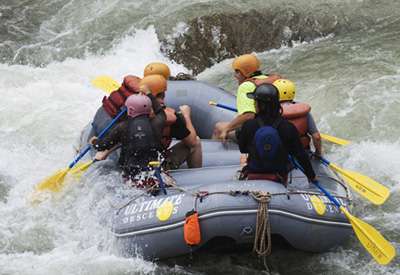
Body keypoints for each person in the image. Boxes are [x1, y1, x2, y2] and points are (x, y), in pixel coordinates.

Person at [237, 83, 316, 183]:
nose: (254, 104)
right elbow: (300, 154)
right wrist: (311, 176)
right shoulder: (288, 127)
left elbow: (242, 149)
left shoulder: (248, 125)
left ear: (260, 105)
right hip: (279, 175)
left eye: (255, 101)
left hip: (254, 172)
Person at [143, 62, 202, 170]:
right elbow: (192, 142)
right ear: (164, 94)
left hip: (131, 168)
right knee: (196, 142)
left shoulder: (131, 110)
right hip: (157, 167)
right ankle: (197, 177)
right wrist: (186, 116)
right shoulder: (172, 117)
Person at [92, 94, 162, 182]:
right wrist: (149, 94)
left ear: (131, 110)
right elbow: (161, 112)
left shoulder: (122, 127)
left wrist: (94, 141)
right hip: (153, 168)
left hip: (130, 171)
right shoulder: (157, 123)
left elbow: (102, 145)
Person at [212, 54, 282, 141]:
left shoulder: (246, 86)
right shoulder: (271, 79)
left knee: (218, 127)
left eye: (237, 72)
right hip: (279, 126)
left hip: (259, 132)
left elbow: (248, 115)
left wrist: (227, 128)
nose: (234, 75)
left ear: (245, 72)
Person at [273, 79, 322, 156]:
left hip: (282, 157)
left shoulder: (271, 113)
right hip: (304, 152)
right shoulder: (303, 111)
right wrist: (318, 153)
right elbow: (317, 137)